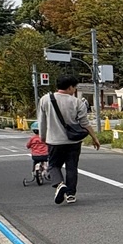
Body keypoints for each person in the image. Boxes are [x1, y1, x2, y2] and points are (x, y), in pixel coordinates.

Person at [37, 74, 101, 205]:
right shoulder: (77, 102)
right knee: (72, 168)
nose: (74, 90)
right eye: (74, 87)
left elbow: (41, 121)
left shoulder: (45, 99)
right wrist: (94, 138)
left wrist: (42, 137)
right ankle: (71, 194)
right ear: (70, 87)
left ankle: (59, 184)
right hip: (73, 142)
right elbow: (84, 123)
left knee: (54, 165)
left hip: (54, 141)